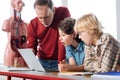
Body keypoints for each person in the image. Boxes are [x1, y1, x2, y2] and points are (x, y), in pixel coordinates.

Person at [27, 0, 71, 71]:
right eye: (40, 18)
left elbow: (62, 41)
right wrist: (30, 56)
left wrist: (60, 63)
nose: (43, 21)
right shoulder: (33, 23)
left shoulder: (63, 12)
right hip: (42, 61)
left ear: (53, 10)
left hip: (61, 61)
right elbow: (31, 47)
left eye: (46, 17)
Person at [2, 0, 27, 67]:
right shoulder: (7, 22)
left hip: (22, 54)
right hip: (11, 53)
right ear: (13, 4)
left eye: (22, 3)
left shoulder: (25, 24)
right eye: (19, 2)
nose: (21, 5)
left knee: (23, 74)